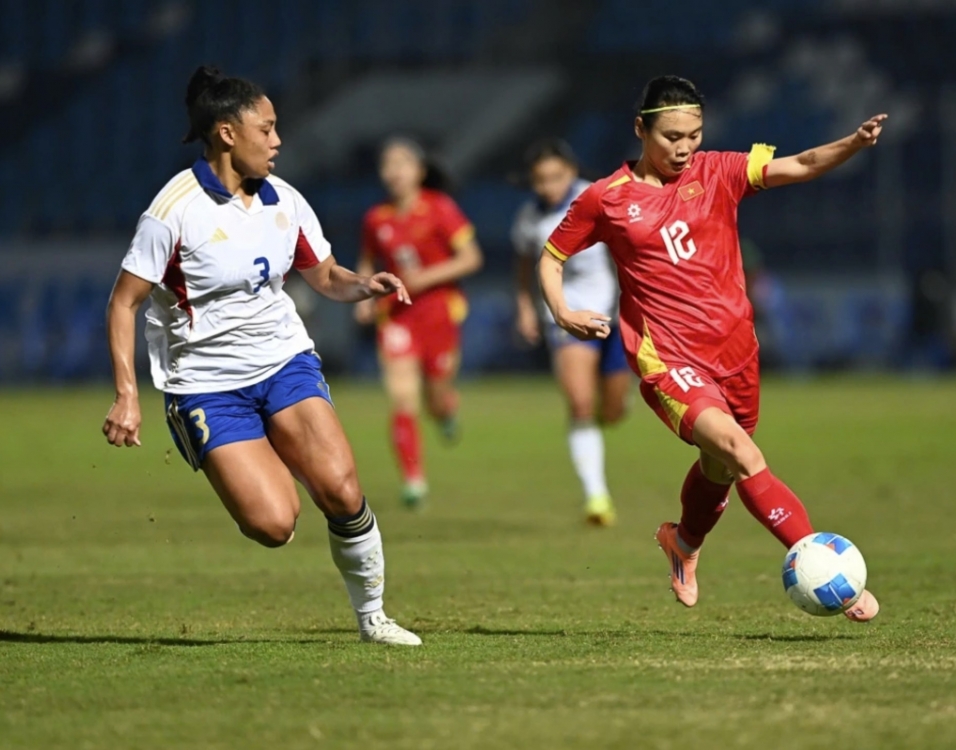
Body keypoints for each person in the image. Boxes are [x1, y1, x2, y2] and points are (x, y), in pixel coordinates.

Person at [538, 75, 885, 621]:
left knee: (719, 466)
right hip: (668, 359)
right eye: (672, 136)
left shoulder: (719, 170)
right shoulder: (605, 199)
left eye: (694, 135)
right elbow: (551, 256)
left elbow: (800, 164)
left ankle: (683, 543)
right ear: (640, 129)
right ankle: (829, 572)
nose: (684, 148)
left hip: (737, 353)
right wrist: (562, 312)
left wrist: (852, 143)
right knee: (743, 455)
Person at [102, 66, 422, 646]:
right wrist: (128, 394)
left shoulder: (285, 201)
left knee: (343, 492)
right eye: (267, 129)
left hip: (283, 361)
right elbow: (124, 304)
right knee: (273, 525)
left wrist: (362, 284)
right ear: (227, 133)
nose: (278, 141)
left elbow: (322, 273)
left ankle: (373, 617)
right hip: (204, 383)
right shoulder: (173, 211)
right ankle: (266, 461)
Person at [355, 138, 483, 508]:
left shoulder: (440, 209)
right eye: (387, 164)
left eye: (402, 163)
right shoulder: (376, 218)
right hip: (396, 316)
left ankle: (447, 409)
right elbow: (366, 260)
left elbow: (471, 258)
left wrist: (425, 278)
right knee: (402, 396)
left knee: (436, 398)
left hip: (439, 313)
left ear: (419, 171)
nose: (393, 172)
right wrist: (364, 295)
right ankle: (413, 480)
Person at [512, 138, 629, 526]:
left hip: (613, 312)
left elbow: (624, 247)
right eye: (541, 179)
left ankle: (602, 420)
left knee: (611, 410)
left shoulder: (596, 199)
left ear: (572, 172)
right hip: (566, 316)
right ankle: (597, 497)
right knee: (580, 404)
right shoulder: (530, 218)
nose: (549, 186)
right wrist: (528, 306)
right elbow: (527, 265)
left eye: (556, 176)